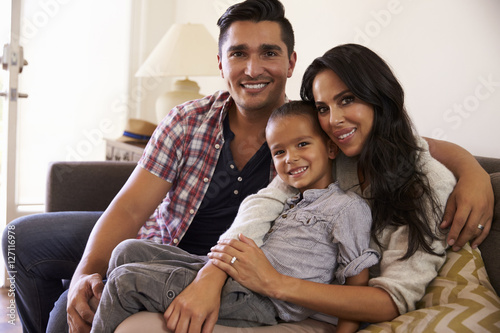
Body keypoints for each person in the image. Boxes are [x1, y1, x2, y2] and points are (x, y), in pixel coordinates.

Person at [0, 0, 493, 332]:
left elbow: (398, 143)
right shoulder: (193, 119)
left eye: (268, 53)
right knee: (21, 239)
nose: (253, 68)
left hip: (254, 274)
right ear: (221, 63)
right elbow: (129, 210)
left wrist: (469, 167)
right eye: (238, 53)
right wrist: (90, 270)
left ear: (290, 61)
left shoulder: (313, 136)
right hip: (177, 244)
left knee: (70, 312)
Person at [205, 43, 463, 327]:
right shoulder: (335, 153)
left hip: (306, 311)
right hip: (259, 293)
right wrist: (212, 274)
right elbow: (265, 202)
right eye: (322, 108)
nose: (334, 121)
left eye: (347, 99)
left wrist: (275, 283)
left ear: (380, 97)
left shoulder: (428, 184)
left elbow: (391, 300)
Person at [90, 101, 380, 333]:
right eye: (279, 151)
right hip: (231, 273)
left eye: (302, 144)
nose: (290, 158)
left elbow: (357, 281)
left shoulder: (347, 207)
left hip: (258, 300)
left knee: (122, 282)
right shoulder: (285, 196)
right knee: (126, 250)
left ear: (330, 148)